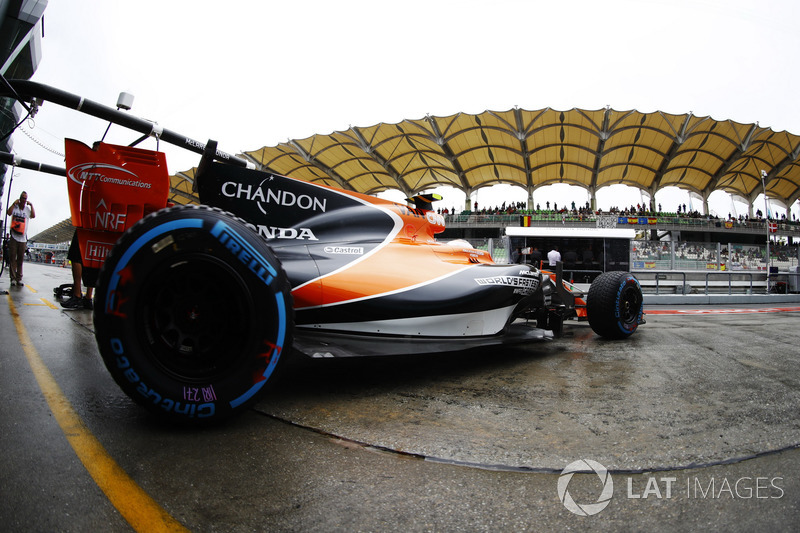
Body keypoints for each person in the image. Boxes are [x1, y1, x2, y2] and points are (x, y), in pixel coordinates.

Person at [6, 191, 35, 286]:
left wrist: (31, 205)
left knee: (20, 260)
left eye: (25, 198)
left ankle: (19, 278)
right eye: (22, 198)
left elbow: (33, 216)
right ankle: (13, 278)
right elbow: (9, 213)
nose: (23, 200)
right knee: (12, 259)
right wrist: (14, 203)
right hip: (14, 237)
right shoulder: (15, 207)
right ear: (20, 198)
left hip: (23, 239)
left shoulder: (27, 209)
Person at [60, 231, 94, 309]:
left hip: (86, 227)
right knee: (93, 256)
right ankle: (88, 298)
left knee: (76, 254)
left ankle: (77, 295)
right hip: (103, 226)